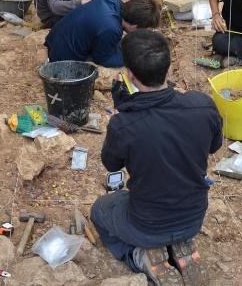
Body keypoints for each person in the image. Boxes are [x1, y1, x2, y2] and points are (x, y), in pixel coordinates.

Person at [91, 30, 222, 285]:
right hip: (192, 218)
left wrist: (124, 110)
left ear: (129, 74)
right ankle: (178, 244)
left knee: (100, 209)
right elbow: (214, 146)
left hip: (146, 224)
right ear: (168, 67)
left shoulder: (123, 124)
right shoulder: (202, 105)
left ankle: (139, 257)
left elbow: (111, 164)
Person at [45, 0, 161, 67]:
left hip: (54, 39)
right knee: (125, 56)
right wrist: (133, 57)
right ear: (134, 26)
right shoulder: (111, 29)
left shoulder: (113, 1)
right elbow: (103, 59)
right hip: (62, 59)